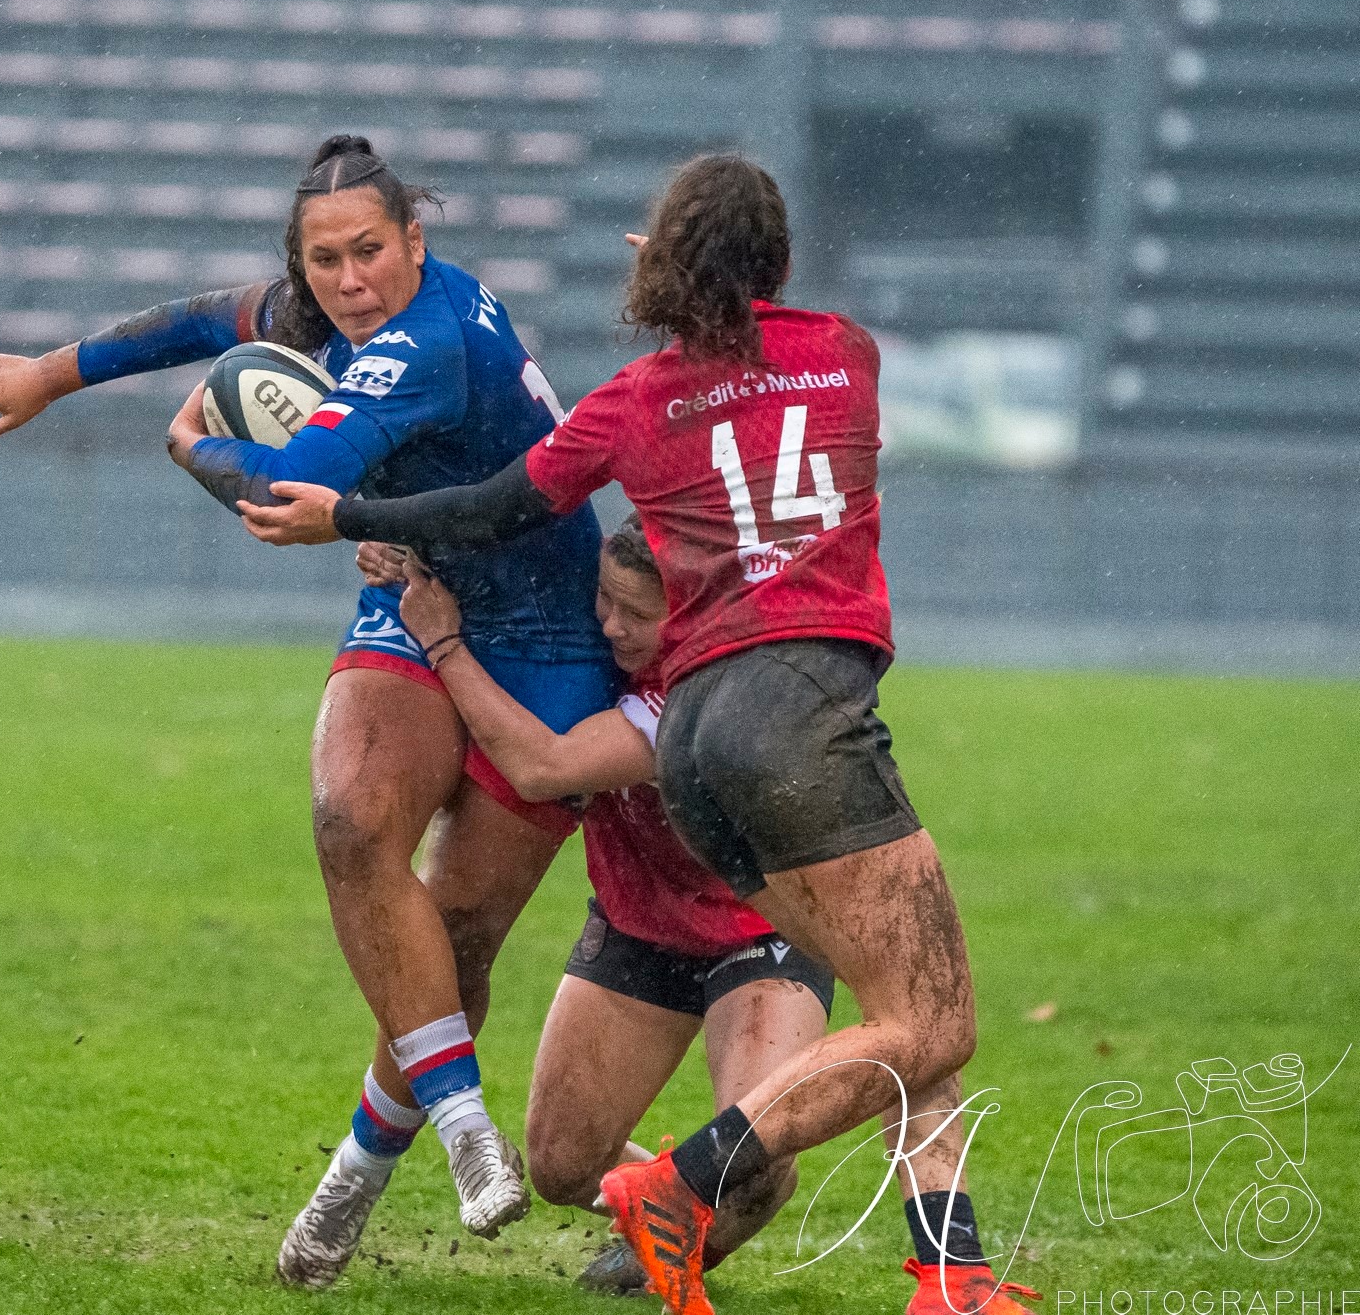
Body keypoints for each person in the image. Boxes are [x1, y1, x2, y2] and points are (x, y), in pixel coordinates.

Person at [236, 153, 1036, 1315]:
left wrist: (349, 514)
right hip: (801, 709)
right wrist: (709, 273)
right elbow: (770, 352)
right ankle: (732, 1201)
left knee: (900, 1001)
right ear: (778, 265)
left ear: (663, 267)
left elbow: (491, 506)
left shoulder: (638, 400)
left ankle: (947, 1275)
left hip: (697, 730)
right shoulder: (847, 353)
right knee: (930, 1011)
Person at [0, 136, 619, 1287]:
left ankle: (350, 1176)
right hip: (418, 593)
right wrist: (45, 377)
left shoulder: (428, 342)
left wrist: (193, 447)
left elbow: (301, 494)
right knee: (352, 823)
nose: (351, 281)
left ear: (417, 240)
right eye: (326, 261)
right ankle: (464, 1131)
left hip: (550, 640)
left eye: (371, 252)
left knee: (457, 940)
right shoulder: (324, 306)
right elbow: (204, 319)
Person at [379, 527, 1040, 1310]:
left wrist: (445, 644)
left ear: (687, 613)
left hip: (758, 933)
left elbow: (543, 767)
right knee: (559, 1167)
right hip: (637, 925)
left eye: (636, 613)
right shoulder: (597, 641)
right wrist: (415, 554)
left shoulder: (702, 693)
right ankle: (665, 1198)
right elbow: (514, 576)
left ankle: (718, 1216)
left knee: (773, 1147)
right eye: (604, 601)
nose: (612, 625)